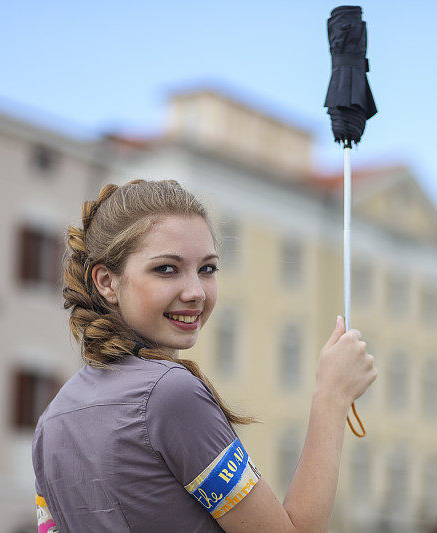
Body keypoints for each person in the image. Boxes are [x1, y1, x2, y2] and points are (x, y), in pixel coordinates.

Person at [31, 179, 377, 532]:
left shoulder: (52, 419)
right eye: (166, 269)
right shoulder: (170, 394)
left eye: (207, 269)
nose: (196, 292)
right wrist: (332, 398)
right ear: (106, 281)